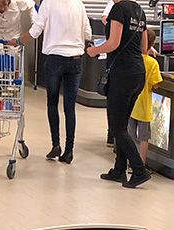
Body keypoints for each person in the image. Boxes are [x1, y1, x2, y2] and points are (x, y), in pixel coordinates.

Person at [87, 0, 150, 188]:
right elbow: (144, 47)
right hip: (138, 73)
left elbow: (113, 43)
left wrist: (94, 50)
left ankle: (139, 170)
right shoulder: (139, 10)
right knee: (121, 124)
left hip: (122, 74)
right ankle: (119, 169)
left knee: (117, 128)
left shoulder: (118, 9)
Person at [24, 0, 91, 163]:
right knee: (70, 108)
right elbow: (88, 33)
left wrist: (18, 41)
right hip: (76, 59)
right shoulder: (79, 4)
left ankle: (56, 144)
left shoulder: (48, 3)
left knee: (52, 103)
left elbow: (35, 31)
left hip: (55, 59)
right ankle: (69, 151)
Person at [129, 28, 162, 166]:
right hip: (144, 107)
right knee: (144, 138)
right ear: (152, 44)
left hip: (130, 105)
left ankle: (130, 162)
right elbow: (156, 84)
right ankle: (140, 165)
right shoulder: (152, 63)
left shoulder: (132, 59)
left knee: (130, 135)